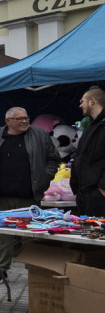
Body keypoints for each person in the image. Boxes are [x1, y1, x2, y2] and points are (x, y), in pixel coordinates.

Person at [0, 106, 60, 284]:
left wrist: (45, 177)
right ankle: (1, 270)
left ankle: (34, 271)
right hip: (2, 196)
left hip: (29, 196)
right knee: (2, 236)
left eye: (26, 118)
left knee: (31, 236)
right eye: (20, 118)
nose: (25, 121)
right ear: (8, 121)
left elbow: (53, 158)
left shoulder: (39, 135)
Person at [72, 86, 105, 216]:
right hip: (84, 193)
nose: (80, 105)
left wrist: (102, 187)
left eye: (82, 101)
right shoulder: (90, 126)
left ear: (92, 101)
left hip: (98, 194)